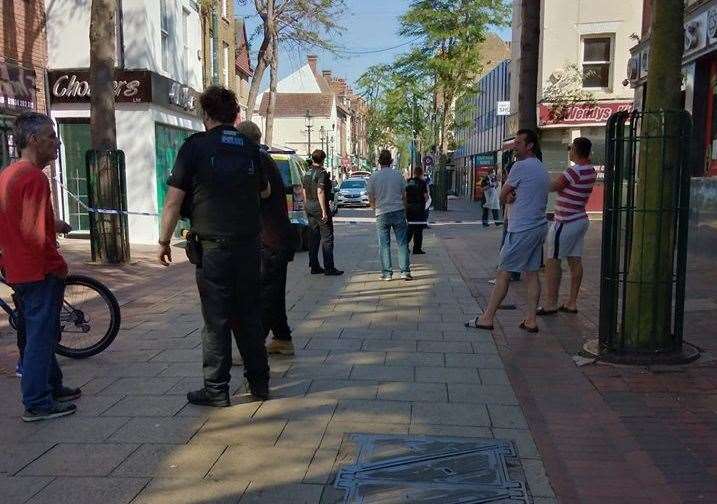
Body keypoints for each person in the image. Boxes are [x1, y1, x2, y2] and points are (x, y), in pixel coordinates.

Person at [157, 86, 271, 405]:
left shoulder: (195, 146)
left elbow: (173, 202)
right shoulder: (249, 147)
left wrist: (164, 240)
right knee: (249, 314)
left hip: (214, 250)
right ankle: (259, 383)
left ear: (205, 115)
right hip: (249, 246)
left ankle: (217, 389)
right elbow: (263, 192)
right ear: (235, 114)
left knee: (216, 318)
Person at [0, 112, 80, 422]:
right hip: (37, 270)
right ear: (33, 140)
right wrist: (57, 264)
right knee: (40, 336)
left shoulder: (9, 174)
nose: (56, 142)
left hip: (18, 268)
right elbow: (36, 235)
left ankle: (52, 385)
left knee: (40, 331)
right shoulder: (34, 177)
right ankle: (37, 401)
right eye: (50, 136)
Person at [466, 129, 550, 333]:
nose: (515, 146)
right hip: (538, 226)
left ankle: (487, 318)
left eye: (519, 143)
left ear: (530, 145)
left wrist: (508, 197)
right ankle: (531, 320)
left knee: (503, 272)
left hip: (521, 228)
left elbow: (503, 194)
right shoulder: (540, 167)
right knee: (531, 274)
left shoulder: (520, 166)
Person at [236, 120, 296, 356]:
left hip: (269, 239)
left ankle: (252, 348)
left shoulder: (256, 160)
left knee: (266, 295)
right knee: (274, 292)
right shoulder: (264, 158)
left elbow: (262, 192)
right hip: (277, 237)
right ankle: (282, 338)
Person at [537, 137, 597, 315]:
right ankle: (572, 302)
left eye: (571, 149)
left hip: (565, 221)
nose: (569, 152)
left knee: (553, 261)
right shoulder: (590, 171)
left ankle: (550, 303)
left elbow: (553, 186)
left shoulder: (574, 171)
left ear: (576, 151)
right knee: (575, 260)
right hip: (580, 219)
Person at [366, 150, 412, 281]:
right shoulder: (398, 175)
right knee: (402, 242)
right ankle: (405, 271)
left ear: (379, 162)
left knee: (384, 245)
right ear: (391, 161)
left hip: (381, 213)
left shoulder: (374, 177)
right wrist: (404, 208)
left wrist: (374, 207)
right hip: (398, 210)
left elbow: (370, 195)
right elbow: (404, 195)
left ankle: (387, 273)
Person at [302, 150, 343, 276]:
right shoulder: (322, 173)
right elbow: (320, 191)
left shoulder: (307, 172)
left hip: (309, 205)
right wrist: (324, 211)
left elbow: (303, 190)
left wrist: (305, 205)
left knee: (313, 237)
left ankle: (314, 266)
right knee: (327, 237)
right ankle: (329, 267)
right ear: (323, 160)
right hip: (319, 207)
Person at [405, 165, 429, 254]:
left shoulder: (408, 181)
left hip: (409, 208)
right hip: (419, 208)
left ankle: (404, 246)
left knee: (410, 228)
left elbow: (404, 194)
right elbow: (425, 196)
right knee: (418, 230)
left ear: (414, 173)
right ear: (421, 173)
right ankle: (417, 249)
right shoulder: (423, 183)